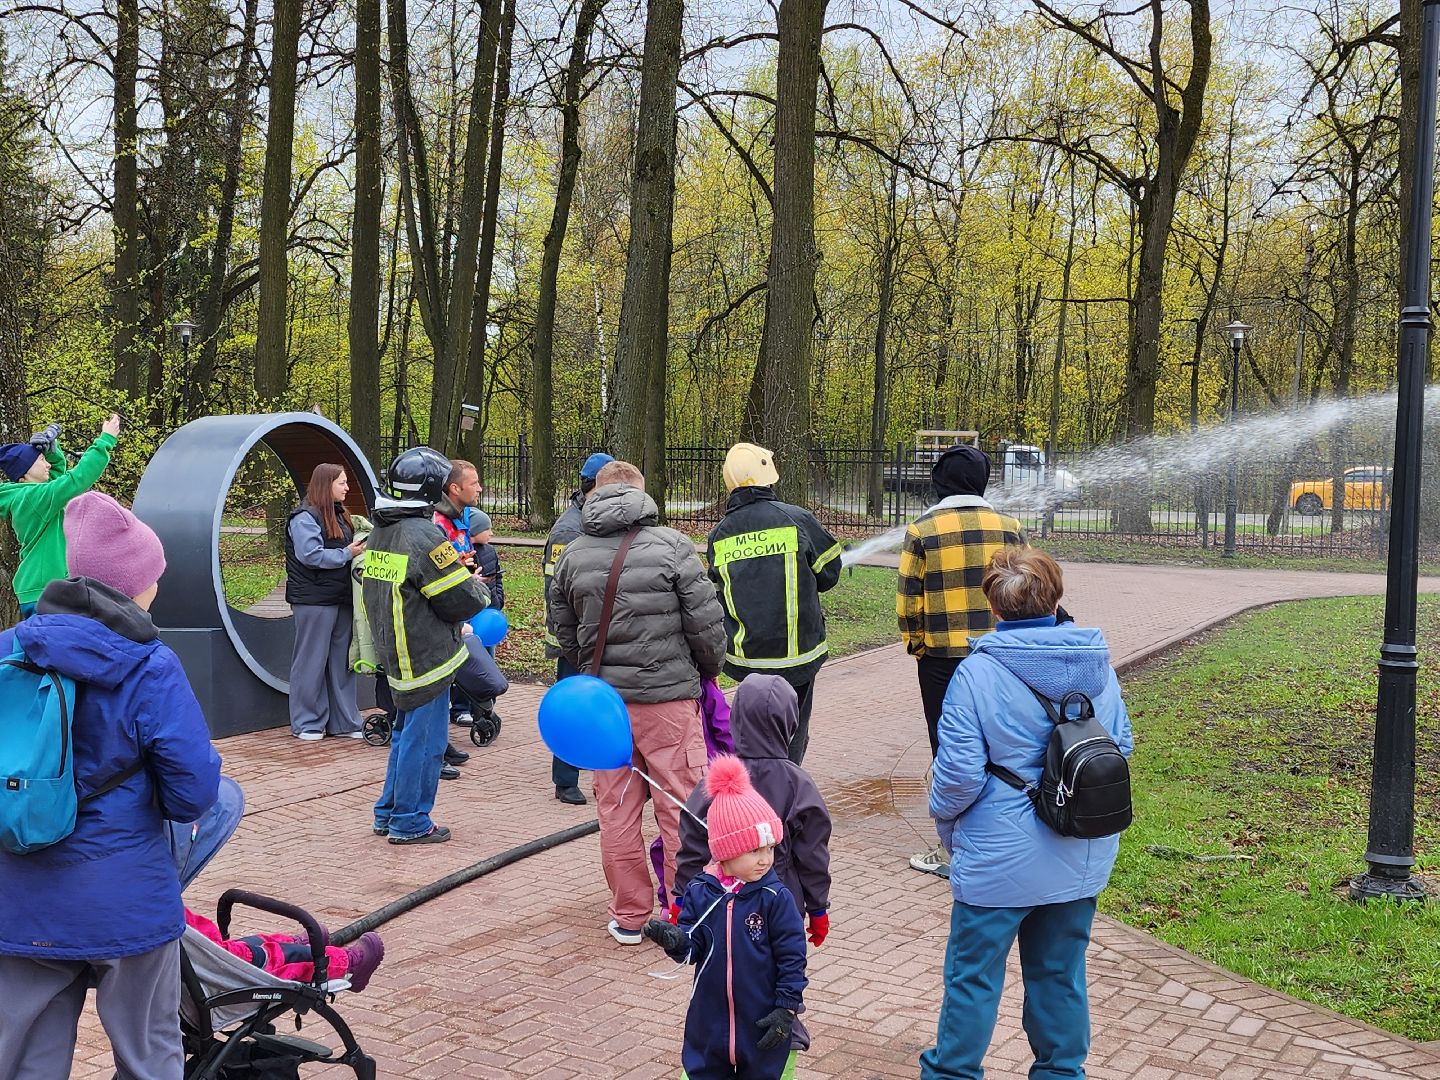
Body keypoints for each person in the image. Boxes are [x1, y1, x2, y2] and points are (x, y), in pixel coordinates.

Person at [0, 491, 223, 1079]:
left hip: (19, 898)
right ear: (133, 585)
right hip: (126, 900)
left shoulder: (8, 650)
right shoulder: (151, 665)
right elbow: (193, 793)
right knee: (149, 1056)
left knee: (24, 1061)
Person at [919, 547, 1132, 1080]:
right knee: (1059, 973)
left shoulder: (976, 674)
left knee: (973, 978)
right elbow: (1120, 748)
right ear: (1055, 597)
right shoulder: (1099, 666)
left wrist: (946, 826)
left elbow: (960, 776)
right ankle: (1062, 1072)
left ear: (994, 606)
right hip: (1079, 849)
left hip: (998, 858)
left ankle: (952, 1073)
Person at [550, 459, 725, 944]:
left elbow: (564, 634)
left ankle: (629, 915)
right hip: (669, 701)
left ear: (595, 495)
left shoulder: (573, 554)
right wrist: (706, 673)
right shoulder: (674, 547)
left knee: (617, 810)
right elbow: (706, 627)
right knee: (681, 807)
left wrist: (594, 670)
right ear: (642, 495)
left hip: (604, 709)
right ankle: (685, 912)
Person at [897, 442, 1026, 878]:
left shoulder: (922, 530)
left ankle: (953, 848)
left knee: (948, 747)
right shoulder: (1010, 527)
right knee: (1001, 743)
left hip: (942, 657)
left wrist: (918, 647)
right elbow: (1027, 589)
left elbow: (909, 600)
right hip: (1002, 656)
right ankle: (1003, 838)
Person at [641, 756, 808, 1080]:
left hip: (761, 1019)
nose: (765, 860)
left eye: (770, 848)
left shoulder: (775, 898)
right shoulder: (702, 891)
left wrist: (786, 1007)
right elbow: (693, 948)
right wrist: (677, 941)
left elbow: (792, 957)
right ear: (726, 851)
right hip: (710, 1021)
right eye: (754, 850)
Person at [364, 447, 489, 845]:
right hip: (426, 656)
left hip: (396, 651)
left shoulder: (383, 528)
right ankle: (410, 821)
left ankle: (388, 812)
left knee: (405, 734)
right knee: (426, 742)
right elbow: (458, 599)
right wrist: (475, 587)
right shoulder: (421, 533)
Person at [706, 442, 843, 766]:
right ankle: (786, 790)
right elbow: (829, 574)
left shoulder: (719, 535)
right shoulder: (797, 520)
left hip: (748, 658)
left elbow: (718, 588)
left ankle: (754, 793)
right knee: (792, 732)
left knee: (754, 730)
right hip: (797, 655)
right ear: (768, 476)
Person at [674, 674, 831, 952]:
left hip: (725, 898)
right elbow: (812, 853)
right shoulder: (797, 783)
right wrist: (818, 907)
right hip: (782, 899)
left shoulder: (719, 776)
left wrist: (682, 896)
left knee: (729, 969)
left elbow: (694, 840)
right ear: (789, 721)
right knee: (783, 971)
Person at [541, 451, 612, 805]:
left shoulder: (600, 519)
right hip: (575, 640)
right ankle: (565, 780)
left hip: (602, 634)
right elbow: (555, 590)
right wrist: (569, 642)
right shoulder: (569, 529)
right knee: (573, 707)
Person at [0, 413, 122, 617]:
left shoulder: (28, 496)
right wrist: (105, 441)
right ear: (25, 472)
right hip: (44, 589)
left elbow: (56, 481)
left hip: (41, 588)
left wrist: (53, 453)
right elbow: (75, 481)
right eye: (41, 460)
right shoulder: (33, 497)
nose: (47, 464)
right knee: (53, 646)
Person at [285, 463, 366, 741]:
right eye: (342, 483)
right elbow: (310, 554)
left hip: (341, 598)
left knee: (342, 663)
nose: (347, 487)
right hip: (314, 600)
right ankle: (307, 722)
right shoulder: (304, 517)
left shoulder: (341, 515)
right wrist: (347, 553)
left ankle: (344, 721)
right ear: (326, 484)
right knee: (311, 661)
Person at [184, 908, 385, 992]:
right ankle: (347, 963)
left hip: (194, 949)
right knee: (258, 958)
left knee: (236, 946)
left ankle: (292, 943)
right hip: (213, 974)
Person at [432, 458, 487, 768]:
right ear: (455, 488)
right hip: (444, 611)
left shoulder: (460, 517)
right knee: (438, 680)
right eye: (473, 483)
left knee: (449, 676)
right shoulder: (438, 523)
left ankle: (440, 741)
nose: (479, 487)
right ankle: (434, 751)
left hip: (459, 604)